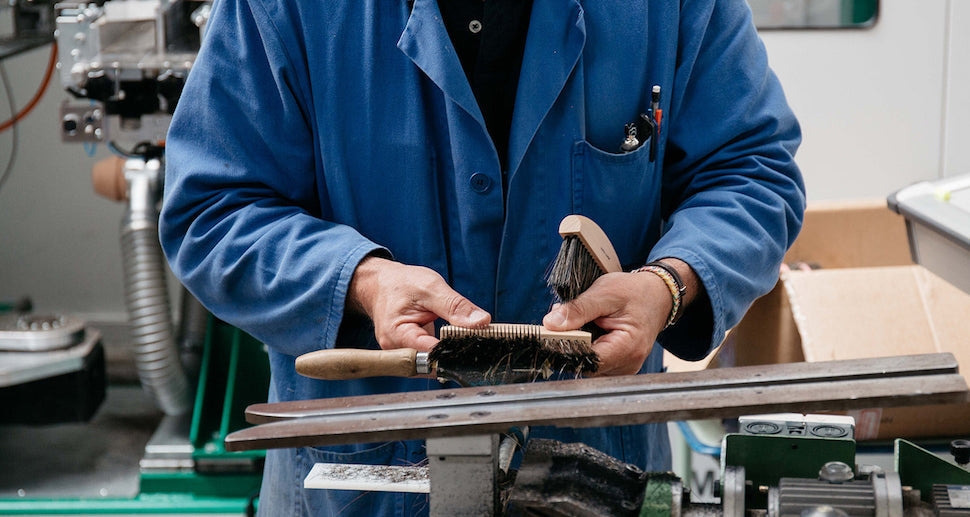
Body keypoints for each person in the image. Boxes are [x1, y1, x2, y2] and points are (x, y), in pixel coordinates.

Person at [159, 0, 806, 514]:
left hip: (602, 477)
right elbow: (211, 206)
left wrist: (669, 283)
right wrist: (360, 280)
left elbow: (752, 172)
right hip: (362, 488)